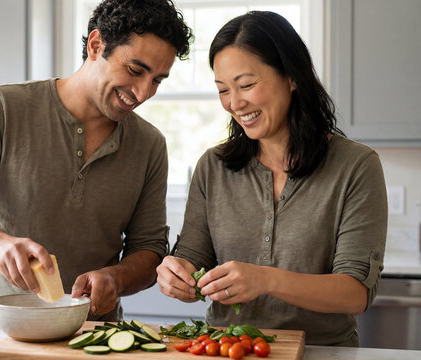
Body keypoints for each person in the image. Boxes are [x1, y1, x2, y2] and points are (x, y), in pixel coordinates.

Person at [0, 0, 193, 328]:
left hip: (93, 338)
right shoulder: (7, 107)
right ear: (96, 45)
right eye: (135, 70)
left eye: (157, 80)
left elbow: (149, 251)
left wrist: (116, 278)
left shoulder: (149, 145)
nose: (142, 92)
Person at [156, 11, 387, 346]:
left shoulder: (355, 166)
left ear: (292, 77)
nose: (234, 103)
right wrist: (177, 276)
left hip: (320, 353)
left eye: (247, 84)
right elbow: (194, 266)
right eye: (223, 90)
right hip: (228, 349)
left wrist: (265, 279)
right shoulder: (213, 166)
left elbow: (355, 294)